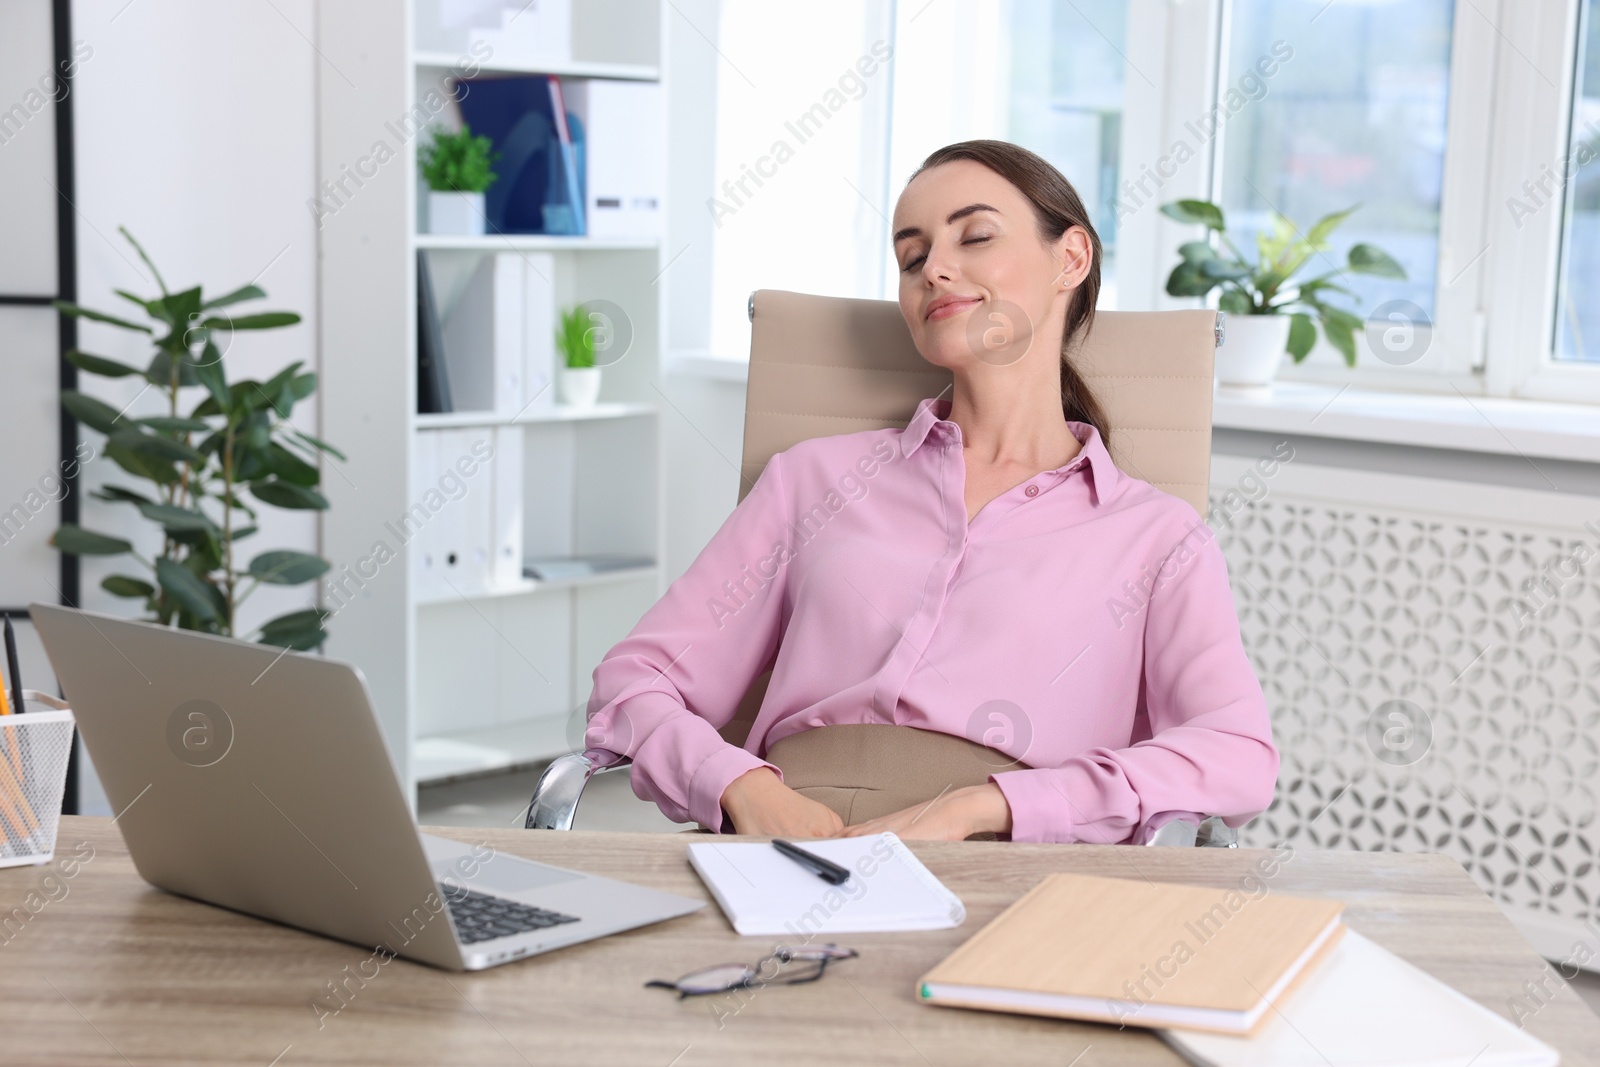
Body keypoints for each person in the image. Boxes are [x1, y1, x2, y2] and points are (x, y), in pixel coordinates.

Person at [582, 139, 1278, 843]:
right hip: (781, 846)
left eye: (975, 236)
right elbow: (633, 682)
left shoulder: (1156, 536)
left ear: (1071, 258)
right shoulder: (810, 481)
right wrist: (739, 784)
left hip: (999, 869)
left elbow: (1238, 754)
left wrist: (987, 807)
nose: (935, 269)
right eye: (912, 258)